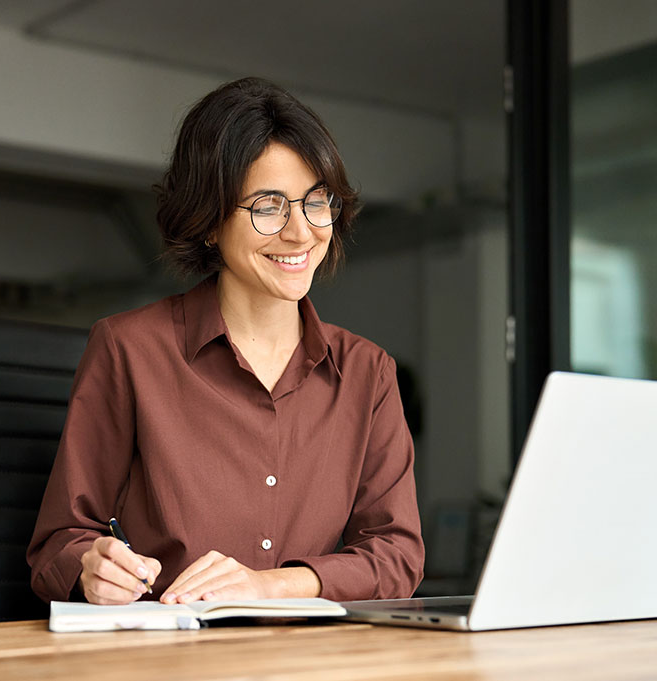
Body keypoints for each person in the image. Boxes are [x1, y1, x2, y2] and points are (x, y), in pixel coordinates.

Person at [27, 77, 424, 606]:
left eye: (316, 201)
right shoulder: (128, 350)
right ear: (209, 222)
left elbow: (397, 555)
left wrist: (271, 585)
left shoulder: (367, 373)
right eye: (267, 207)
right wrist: (91, 567)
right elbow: (60, 542)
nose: (301, 232)